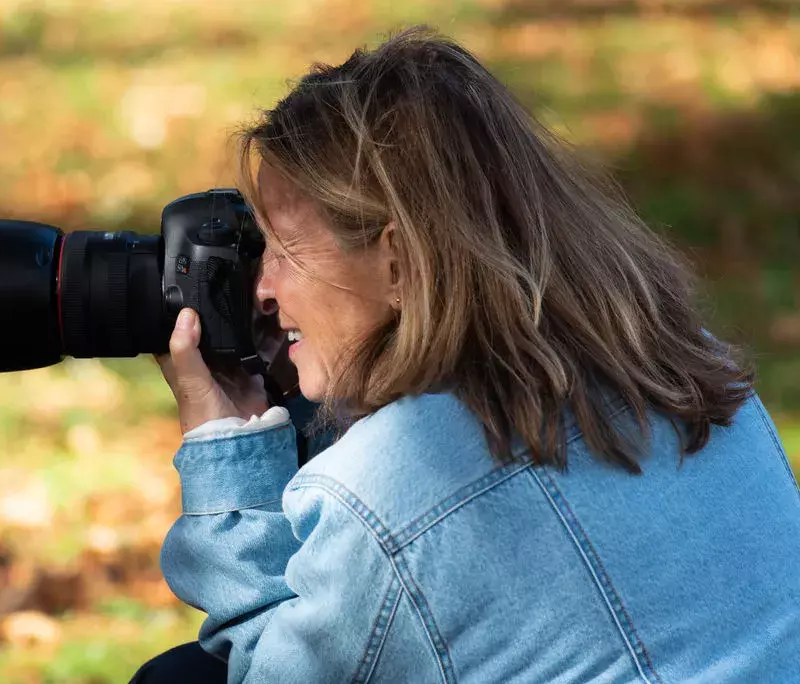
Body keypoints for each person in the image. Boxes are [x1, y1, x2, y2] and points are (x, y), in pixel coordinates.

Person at [131, 27, 800, 684]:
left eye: (286, 251)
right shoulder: (684, 368)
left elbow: (262, 673)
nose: (262, 290)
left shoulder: (388, 492)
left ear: (397, 262)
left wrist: (226, 444)